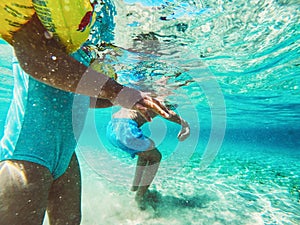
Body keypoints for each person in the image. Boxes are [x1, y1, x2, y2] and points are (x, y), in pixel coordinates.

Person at [0, 1, 174, 224]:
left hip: (66, 158)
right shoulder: (44, 9)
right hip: (28, 153)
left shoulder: (78, 30)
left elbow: (76, 95)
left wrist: (127, 99)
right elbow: (35, 59)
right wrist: (117, 91)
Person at [107, 105, 190, 210]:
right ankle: (140, 198)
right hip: (126, 129)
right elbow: (166, 112)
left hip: (112, 127)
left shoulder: (141, 93)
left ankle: (135, 188)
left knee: (148, 150)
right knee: (156, 157)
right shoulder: (160, 94)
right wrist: (185, 125)